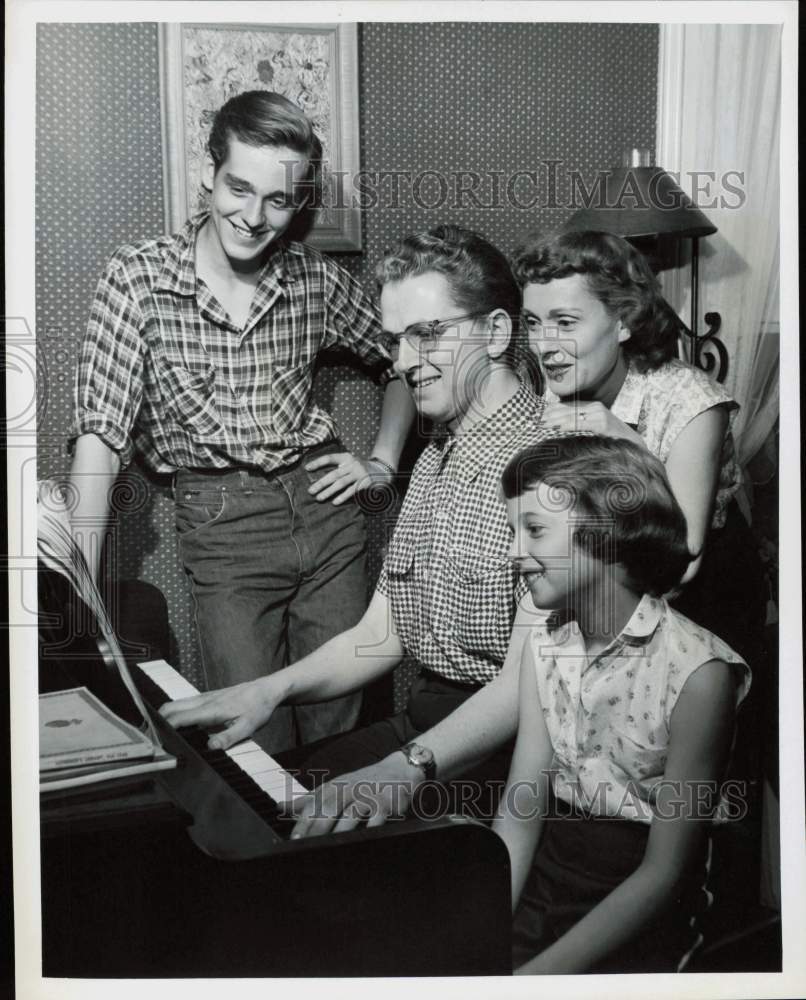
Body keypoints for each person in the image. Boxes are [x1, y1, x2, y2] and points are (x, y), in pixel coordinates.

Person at [161, 224, 556, 829]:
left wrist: (406, 767)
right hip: (425, 727)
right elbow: (381, 634)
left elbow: (527, 687)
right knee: (243, 805)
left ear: (498, 331)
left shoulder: (553, 464)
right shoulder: (435, 455)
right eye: (396, 340)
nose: (403, 362)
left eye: (428, 335)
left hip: (508, 750)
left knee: (312, 858)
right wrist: (268, 690)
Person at [68, 90, 415, 752]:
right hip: (222, 528)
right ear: (209, 171)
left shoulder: (315, 280)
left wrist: (382, 461)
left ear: (299, 201)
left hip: (327, 510)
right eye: (239, 188)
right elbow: (100, 438)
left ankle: (343, 857)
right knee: (250, 738)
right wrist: (83, 591)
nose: (254, 217)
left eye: (278, 200)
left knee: (341, 730)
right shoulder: (137, 277)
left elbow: (404, 362)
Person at [493, 435, 750, 974]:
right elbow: (520, 814)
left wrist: (534, 979)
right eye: (513, 531)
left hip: (643, 904)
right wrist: (485, 934)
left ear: (606, 534)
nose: (515, 551)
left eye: (534, 530)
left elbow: (664, 874)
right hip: (549, 874)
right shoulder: (544, 644)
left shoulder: (699, 675)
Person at [511, 229, 766, 668]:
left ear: (624, 321)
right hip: (610, 582)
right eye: (533, 323)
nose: (545, 345)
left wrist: (626, 442)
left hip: (706, 601)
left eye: (566, 322)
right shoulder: (560, 389)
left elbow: (683, 556)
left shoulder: (692, 397)